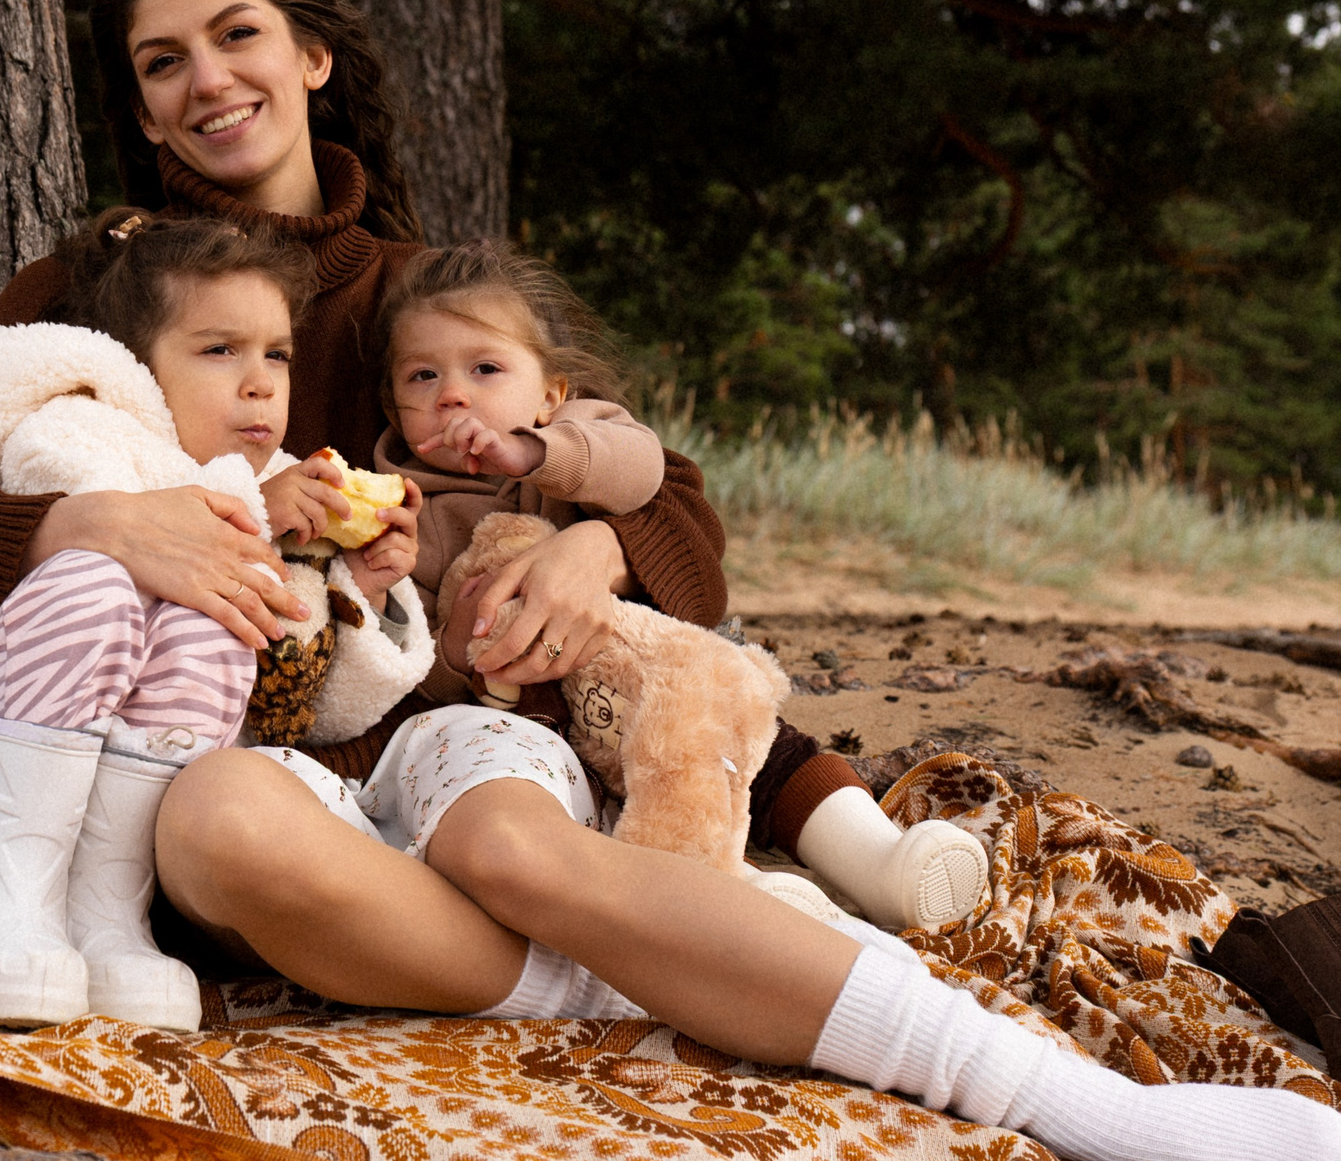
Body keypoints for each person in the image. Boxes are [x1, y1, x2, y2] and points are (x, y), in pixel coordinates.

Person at [0, 0, 1341, 1161]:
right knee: (217, 826)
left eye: (237, 36)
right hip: (212, 744)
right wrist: (92, 521)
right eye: (163, 62)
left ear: (313, 60)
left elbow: (669, 492)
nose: (207, 79)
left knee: (507, 847)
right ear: (142, 110)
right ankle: (655, 964)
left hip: (447, 731)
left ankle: (1071, 1099)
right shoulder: (91, 291)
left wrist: (601, 555)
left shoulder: (427, 287)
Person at [0, 213, 425, 1032]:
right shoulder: (82, 425)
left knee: (219, 624)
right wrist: (251, 516)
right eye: (219, 350)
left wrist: (354, 591)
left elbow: (306, 710)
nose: (260, 381)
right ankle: (6, 907)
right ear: (140, 370)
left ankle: (104, 920)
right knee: (95, 581)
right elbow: (92, 524)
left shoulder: (291, 489)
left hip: (123, 823)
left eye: (277, 353)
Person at [370, 240, 990, 931]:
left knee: (758, 745)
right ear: (394, 409)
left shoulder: (579, 434)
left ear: (551, 391)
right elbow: (408, 649)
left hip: (658, 672)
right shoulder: (406, 507)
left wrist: (536, 456)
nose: (452, 393)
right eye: (422, 377)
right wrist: (457, 651)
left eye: (485, 368)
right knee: (628, 806)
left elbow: (641, 471)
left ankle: (881, 860)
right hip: (543, 725)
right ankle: (743, 889)